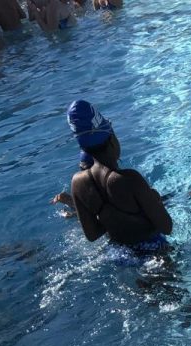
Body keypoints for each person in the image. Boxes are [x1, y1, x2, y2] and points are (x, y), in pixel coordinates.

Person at [65, 100, 173, 254]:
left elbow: (92, 235)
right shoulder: (130, 179)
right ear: (111, 139)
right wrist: (155, 200)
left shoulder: (77, 182)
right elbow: (167, 227)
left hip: (119, 254)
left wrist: (109, 215)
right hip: (154, 250)